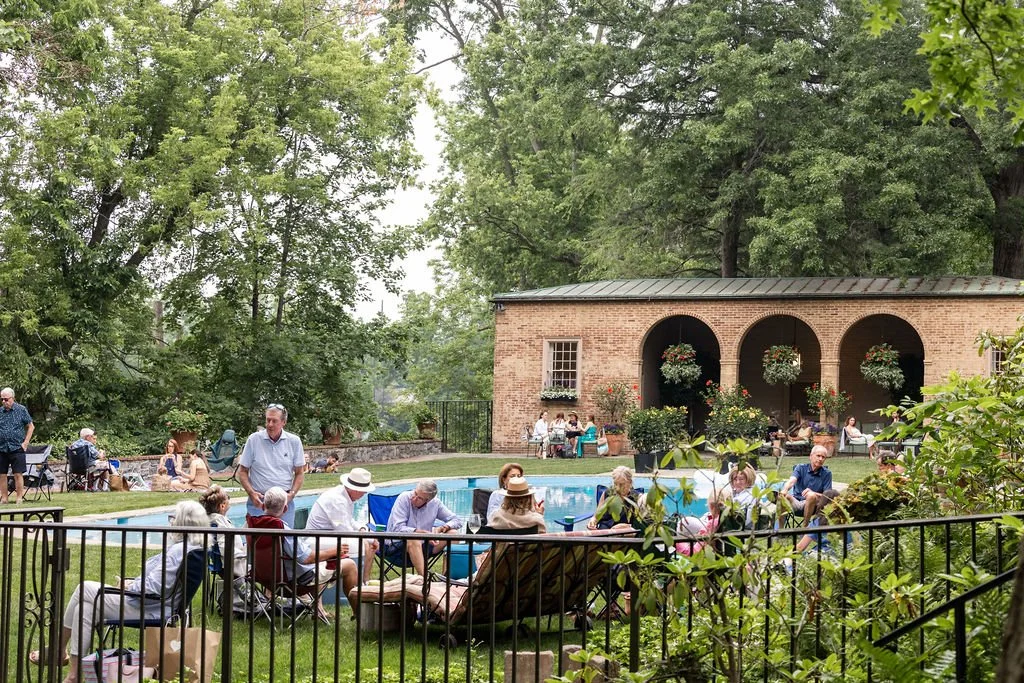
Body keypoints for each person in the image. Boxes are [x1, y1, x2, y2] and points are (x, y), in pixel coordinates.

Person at [28, 500, 209, 680]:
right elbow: (161, 585)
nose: (170, 523)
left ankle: (58, 650)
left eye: (173, 518)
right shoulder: (192, 550)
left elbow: (152, 589)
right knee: (84, 608)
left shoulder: (178, 552)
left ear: (183, 524)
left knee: (84, 588)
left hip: (146, 607)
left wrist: (129, 586)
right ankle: (73, 675)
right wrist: (132, 585)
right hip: (154, 605)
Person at [262, 487, 358, 618]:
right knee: (349, 565)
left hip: (266, 578)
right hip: (294, 581)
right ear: (285, 509)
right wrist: (334, 551)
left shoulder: (253, 525)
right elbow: (306, 558)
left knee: (320, 563)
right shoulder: (282, 530)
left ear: (263, 505)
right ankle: (358, 613)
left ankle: (319, 610)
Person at [305, 468, 380, 582]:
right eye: (362, 490)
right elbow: (345, 531)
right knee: (365, 543)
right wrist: (370, 539)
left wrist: (362, 528)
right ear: (353, 488)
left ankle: (364, 581)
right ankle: (362, 583)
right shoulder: (338, 500)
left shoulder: (343, 495)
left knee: (366, 542)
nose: (364, 493)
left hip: (326, 535)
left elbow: (348, 520)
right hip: (317, 538)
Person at [239, 403, 305, 527]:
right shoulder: (253, 440)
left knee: (287, 541)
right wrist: (251, 493)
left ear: (283, 422)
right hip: (259, 501)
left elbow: (300, 473)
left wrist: (291, 494)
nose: (270, 424)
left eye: (274, 421)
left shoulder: (294, 441)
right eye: (268, 420)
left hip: (284, 501)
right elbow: (242, 471)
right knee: (256, 542)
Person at [384, 480, 462, 577]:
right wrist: (423, 533)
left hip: (425, 545)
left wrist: (443, 527)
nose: (414, 498)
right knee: (414, 538)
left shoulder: (435, 503)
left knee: (453, 533)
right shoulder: (404, 498)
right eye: (415, 493)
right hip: (396, 548)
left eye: (420, 498)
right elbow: (398, 528)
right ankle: (425, 581)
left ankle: (446, 578)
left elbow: (457, 520)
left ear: (428, 500)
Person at [199, 485, 248, 577]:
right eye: (228, 498)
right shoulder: (219, 523)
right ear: (222, 506)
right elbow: (225, 548)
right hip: (235, 567)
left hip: (232, 564)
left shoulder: (214, 520)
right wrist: (246, 553)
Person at [781, 445, 833, 525]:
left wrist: (814, 493)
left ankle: (804, 528)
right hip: (795, 502)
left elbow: (827, 497)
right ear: (811, 456)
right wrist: (785, 489)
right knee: (782, 497)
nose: (820, 459)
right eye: (818, 456)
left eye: (823, 457)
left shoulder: (827, 474)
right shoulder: (800, 468)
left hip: (814, 506)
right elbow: (792, 481)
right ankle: (779, 532)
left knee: (811, 495)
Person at [0, 387, 34, 504]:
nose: (4, 402)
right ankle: (4, 498)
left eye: (6, 399)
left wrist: (25, 443)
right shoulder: (0, 412)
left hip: (17, 447)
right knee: (1, 474)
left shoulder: (21, 410)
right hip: (2, 447)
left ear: (12, 398)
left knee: (18, 473)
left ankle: (19, 498)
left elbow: (31, 426)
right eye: (2, 400)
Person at [676, 486, 732, 556]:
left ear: (711, 506)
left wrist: (676, 543)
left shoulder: (712, 525)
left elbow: (693, 553)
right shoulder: (732, 521)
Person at [795, 489, 849, 553]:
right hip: (847, 552)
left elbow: (800, 547)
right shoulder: (848, 519)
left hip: (826, 555)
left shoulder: (818, 522)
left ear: (822, 503)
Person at [589, 466, 643, 530]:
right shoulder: (607, 494)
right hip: (604, 533)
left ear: (630, 482)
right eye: (615, 484)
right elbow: (596, 516)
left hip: (626, 534)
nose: (617, 488)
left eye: (621, 484)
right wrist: (592, 521)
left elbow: (642, 525)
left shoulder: (637, 498)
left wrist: (627, 526)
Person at [68, 428, 110, 492]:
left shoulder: (73, 445)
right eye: (92, 436)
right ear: (87, 437)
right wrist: (101, 452)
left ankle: (95, 487)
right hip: (87, 468)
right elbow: (99, 456)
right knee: (105, 464)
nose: (93, 437)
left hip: (74, 469)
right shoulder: (88, 444)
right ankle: (103, 487)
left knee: (97, 465)